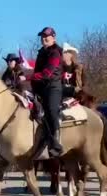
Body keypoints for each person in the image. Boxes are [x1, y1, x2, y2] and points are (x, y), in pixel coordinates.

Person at [29, 26, 64, 157]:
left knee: (50, 110)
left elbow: (46, 74)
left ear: (53, 37)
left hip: (53, 87)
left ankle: (55, 144)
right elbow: (36, 72)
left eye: (46, 36)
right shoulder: (41, 52)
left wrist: (27, 77)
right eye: (42, 37)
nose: (44, 39)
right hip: (40, 87)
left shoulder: (55, 52)